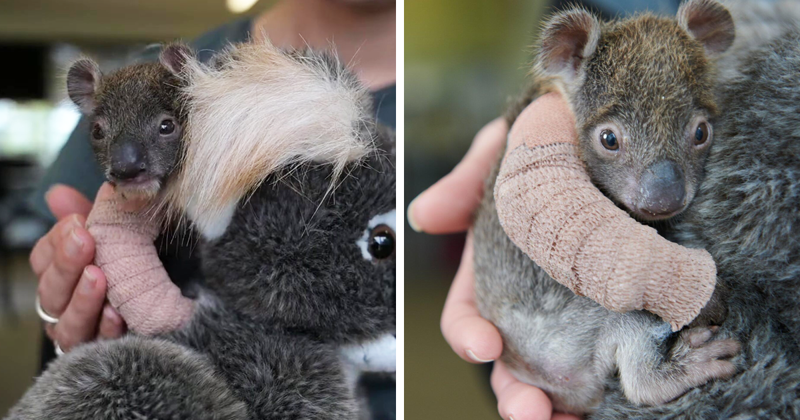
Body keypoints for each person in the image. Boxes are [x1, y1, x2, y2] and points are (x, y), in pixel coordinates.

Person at [28, 0, 395, 417]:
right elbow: (59, 318)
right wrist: (64, 325)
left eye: (167, 128)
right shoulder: (135, 82)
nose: (127, 160)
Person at [408, 1, 681, 419]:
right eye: (610, 141)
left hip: (552, 339)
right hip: (562, 331)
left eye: (699, 134)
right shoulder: (563, 108)